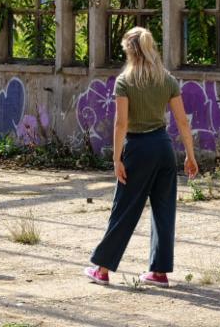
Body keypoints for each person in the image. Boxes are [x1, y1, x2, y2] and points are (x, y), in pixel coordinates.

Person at [84, 27, 198, 287]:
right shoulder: (167, 79)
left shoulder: (125, 81)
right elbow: (182, 121)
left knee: (124, 209)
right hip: (164, 148)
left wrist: (117, 159)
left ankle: (102, 270)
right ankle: (159, 273)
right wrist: (190, 156)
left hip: (138, 149)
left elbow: (121, 124)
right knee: (164, 210)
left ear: (130, 51)